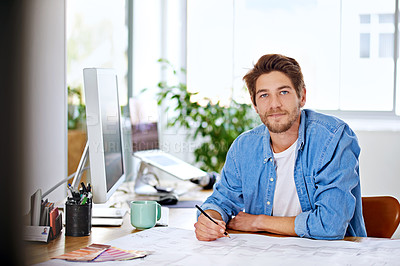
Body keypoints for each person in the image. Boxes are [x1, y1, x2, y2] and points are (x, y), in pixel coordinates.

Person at [194, 54, 367, 241]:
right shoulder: (244, 147)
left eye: (283, 92)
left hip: (331, 255)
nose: (274, 104)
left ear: (302, 97)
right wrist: (210, 219)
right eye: (264, 95)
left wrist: (258, 221)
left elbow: (330, 224)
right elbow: (221, 201)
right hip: (264, 254)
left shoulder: (333, 138)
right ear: (255, 104)